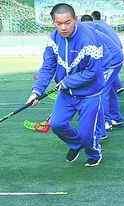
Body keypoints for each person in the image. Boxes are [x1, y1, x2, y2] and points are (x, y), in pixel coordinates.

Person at [27, 3, 108, 167]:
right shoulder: (53, 39)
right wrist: (36, 91)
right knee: (56, 124)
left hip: (90, 94)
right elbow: (48, 66)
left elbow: (92, 72)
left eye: (68, 22)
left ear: (75, 20)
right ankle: (76, 144)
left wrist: (65, 82)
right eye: (59, 23)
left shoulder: (88, 39)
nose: (63, 27)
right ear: (53, 22)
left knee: (87, 134)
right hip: (66, 94)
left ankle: (93, 153)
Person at [80, 14, 124, 140]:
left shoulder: (84, 33)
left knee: (100, 92)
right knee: (109, 90)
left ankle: (105, 122)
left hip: (110, 61)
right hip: (114, 57)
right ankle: (115, 118)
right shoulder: (94, 27)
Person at [91, 10, 124, 97]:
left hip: (110, 49)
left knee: (105, 69)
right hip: (116, 47)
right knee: (109, 69)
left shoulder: (94, 25)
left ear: (93, 17)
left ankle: (116, 87)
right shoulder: (104, 24)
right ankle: (117, 86)